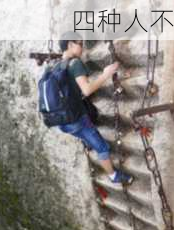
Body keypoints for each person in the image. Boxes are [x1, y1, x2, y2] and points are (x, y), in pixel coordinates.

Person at [56, 31, 133, 185]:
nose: (82, 48)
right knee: (102, 147)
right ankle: (114, 176)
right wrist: (106, 74)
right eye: (80, 44)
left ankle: (88, 141)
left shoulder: (56, 66)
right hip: (75, 119)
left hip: (61, 121)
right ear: (70, 44)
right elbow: (86, 90)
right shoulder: (75, 63)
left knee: (84, 134)